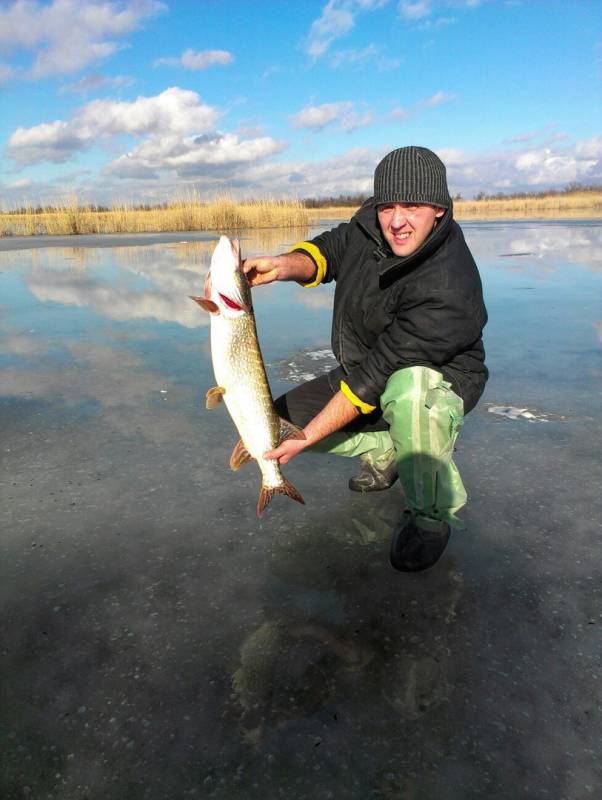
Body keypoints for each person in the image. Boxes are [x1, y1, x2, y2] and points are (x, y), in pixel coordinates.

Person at [243, 146, 488, 572]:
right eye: (388, 205)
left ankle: (430, 516)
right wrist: (282, 265)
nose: (397, 220)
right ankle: (390, 444)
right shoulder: (369, 226)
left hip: (437, 380)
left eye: (412, 206)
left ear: (440, 211)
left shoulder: (448, 286)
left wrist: (312, 434)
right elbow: (330, 250)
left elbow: (381, 374)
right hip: (366, 368)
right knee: (275, 426)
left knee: (410, 394)